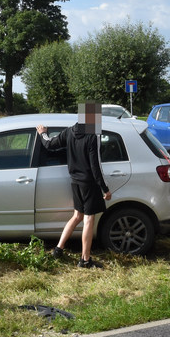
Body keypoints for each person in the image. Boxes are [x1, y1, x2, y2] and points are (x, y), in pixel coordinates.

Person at [36, 102, 112, 269]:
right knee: (88, 219)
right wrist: (105, 188)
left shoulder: (69, 131)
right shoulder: (93, 136)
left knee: (77, 215)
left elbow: (49, 144)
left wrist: (42, 134)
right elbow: (96, 165)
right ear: (93, 120)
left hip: (75, 182)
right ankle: (85, 260)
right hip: (89, 183)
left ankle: (58, 249)